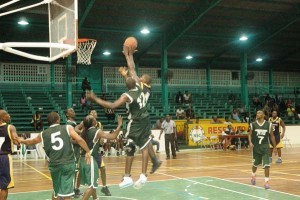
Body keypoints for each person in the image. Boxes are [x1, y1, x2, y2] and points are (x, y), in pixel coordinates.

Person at [87, 46, 161, 189]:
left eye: (141, 77)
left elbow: (112, 105)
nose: (139, 77)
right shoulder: (142, 88)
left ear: (144, 82)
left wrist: (95, 98)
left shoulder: (129, 94)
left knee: (130, 147)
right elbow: (132, 72)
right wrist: (128, 56)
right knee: (145, 146)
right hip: (145, 119)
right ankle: (143, 174)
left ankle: (128, 176)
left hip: (136, 122)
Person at [19, 111, 92, 200]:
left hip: (54, 165)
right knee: (67, 194)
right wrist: (88, 151)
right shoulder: (67, 127)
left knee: (56, 192)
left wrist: (20, 140)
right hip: (67, 163)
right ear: (58, 120)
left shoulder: (43, 133)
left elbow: (30, 142)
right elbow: (79, 140)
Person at [80, 115, 122, 200]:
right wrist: (119, 125)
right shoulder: (97, 131)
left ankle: (95, 198)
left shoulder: (84, 131)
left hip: (82, 159)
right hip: (90, 159)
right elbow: (113, 136)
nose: (96, 119)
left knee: (93, 182)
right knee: (92, 186)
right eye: (93, 118)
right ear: (93, 122)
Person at [75, 110, 111, 196]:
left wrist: (101, 140)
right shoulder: (85, 122)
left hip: (96, 151)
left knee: (102, 168)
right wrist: (83, 133)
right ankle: (77, 188)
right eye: (91, 112)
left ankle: (104, 187)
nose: (94, 113)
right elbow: (76, 129)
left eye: (95, 112)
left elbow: (100, 137)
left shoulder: (99, 124)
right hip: (87, 151)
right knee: (81, 172)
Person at [249, 110, 277, 190]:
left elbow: (272, 136)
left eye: (259, 113)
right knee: (255, 165)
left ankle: (266, 182)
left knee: (267, 165)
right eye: (257, 113)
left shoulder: (268, 124)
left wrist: (274, 147)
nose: (257, 114)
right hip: (256, 148)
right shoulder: (253, 124)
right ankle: (253, 175)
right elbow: (249, 134)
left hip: (265, 148)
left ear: (263, 115)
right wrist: (250, 142)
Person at [0, 110, 21, 200]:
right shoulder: (10, 127)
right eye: (7, 114)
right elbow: (16, 141)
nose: (9, 115)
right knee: (5, 185)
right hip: (4, 158)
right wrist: (19, 143)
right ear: (2, 118)